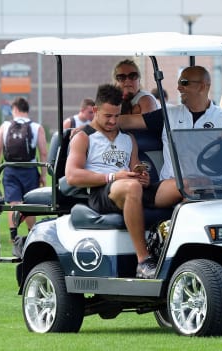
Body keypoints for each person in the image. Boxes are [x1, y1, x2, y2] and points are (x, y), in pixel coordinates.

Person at [65, 84, 181, 279]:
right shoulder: (84, 137)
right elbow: (72, 175)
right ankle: (143, 261)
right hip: (101, 191)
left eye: (117, 116)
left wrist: (141, 177)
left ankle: (180, 250)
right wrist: (112, 177)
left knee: (183, 186)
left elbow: (135, 169)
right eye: (108, 116)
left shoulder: (128, 138)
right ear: (95, 110)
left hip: (129, 187)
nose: (113, 121)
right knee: (132, 187)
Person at [119, 66, 222, 181]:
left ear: (202, 87)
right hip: (172, 184)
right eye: (179, 83)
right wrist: (103, 118)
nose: (179, 88)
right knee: (189, 186)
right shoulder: (167, 114)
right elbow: (129, 121)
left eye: (184, 83)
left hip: (209, 186)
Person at [0, 97, 47, 242]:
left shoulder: (5, 126)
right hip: (30, 169)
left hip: (9, 168)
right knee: (29, 204)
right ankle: (31, 234)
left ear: (15, 109)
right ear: (27, 110)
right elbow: (43, 152)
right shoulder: (36, 127)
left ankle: (13, 235)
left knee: (13, 203)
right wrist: (43, 175)